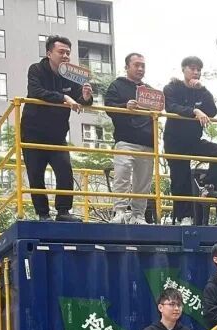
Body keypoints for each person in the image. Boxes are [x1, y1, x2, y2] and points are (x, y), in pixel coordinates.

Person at [20, 35, 93, 222]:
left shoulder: (71, 75)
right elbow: (36, 92)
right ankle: (43, 214)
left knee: (65, 170)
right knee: (36, 173)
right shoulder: (36, 70)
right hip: (33, 132)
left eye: (68, 52)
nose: (65, 56)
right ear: (49, 53)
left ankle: (63, 211)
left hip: (57, 134)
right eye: (61, 52)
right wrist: (63, 97)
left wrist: (86, 97)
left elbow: (79, 100)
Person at [163, 56, 217, 226]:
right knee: (180, 179)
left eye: (199, 70)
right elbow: (171, 107)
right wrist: (195, 111)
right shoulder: (172, 87)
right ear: (183, 69)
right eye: (192, 69)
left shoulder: (200, 91)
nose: (196, 72)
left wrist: (203, 89)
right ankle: (183, 217)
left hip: (193, 140)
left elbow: (212, 111)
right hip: (174, 141)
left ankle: (207, 186)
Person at [105, 52, 155, 225]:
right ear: (127, 67)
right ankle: (119, 212)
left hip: (147, 142)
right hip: (125, 139)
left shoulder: (149, 90)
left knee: (144, 181)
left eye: (143, 65)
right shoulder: (117, 85)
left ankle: (138, 215)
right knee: (122, 175)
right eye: (136, 65)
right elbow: (108, 107)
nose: (140, 68)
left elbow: (158, 110)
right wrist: (125, 106)